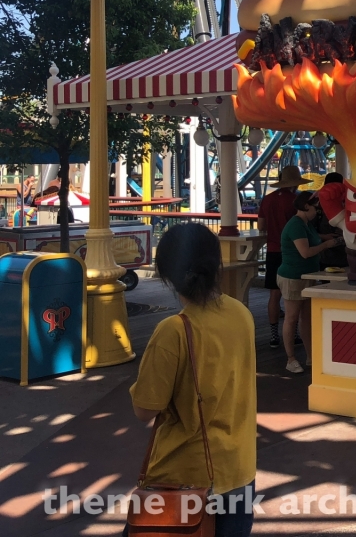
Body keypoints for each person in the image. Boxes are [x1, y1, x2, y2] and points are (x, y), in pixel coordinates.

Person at [128, 223, 257, 537]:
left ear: (168, 275)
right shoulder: (241, 313)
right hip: (239, 469)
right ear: (215, 265)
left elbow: (145, 409)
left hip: (185, 475)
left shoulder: (173, 330)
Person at [278, 191, 345, 373]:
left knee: (306, 317)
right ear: (306, 206)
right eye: (315, 208)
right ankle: (291, 359)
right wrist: (326, 245)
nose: (317, 212)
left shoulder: (304, 223)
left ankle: (310, 356)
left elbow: (312, 238)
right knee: (291, 318)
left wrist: (324, 237)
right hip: (293, 276)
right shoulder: (296, 225)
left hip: (306, 275)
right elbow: (305, 252)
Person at [257, 165, 310, 348]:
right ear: (295, 183)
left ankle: (274, 336)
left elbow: (261, 226)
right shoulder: (295, 201)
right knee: (294, 295)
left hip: (272, 250)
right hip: (292, 251)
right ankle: (293, 334)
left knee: (274, 294)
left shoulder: (268, 199)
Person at [312, 172, 349, 270]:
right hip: (336, 252)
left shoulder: (316, 202)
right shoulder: (350, 200)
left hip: (327, 253)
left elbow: (308, 229)